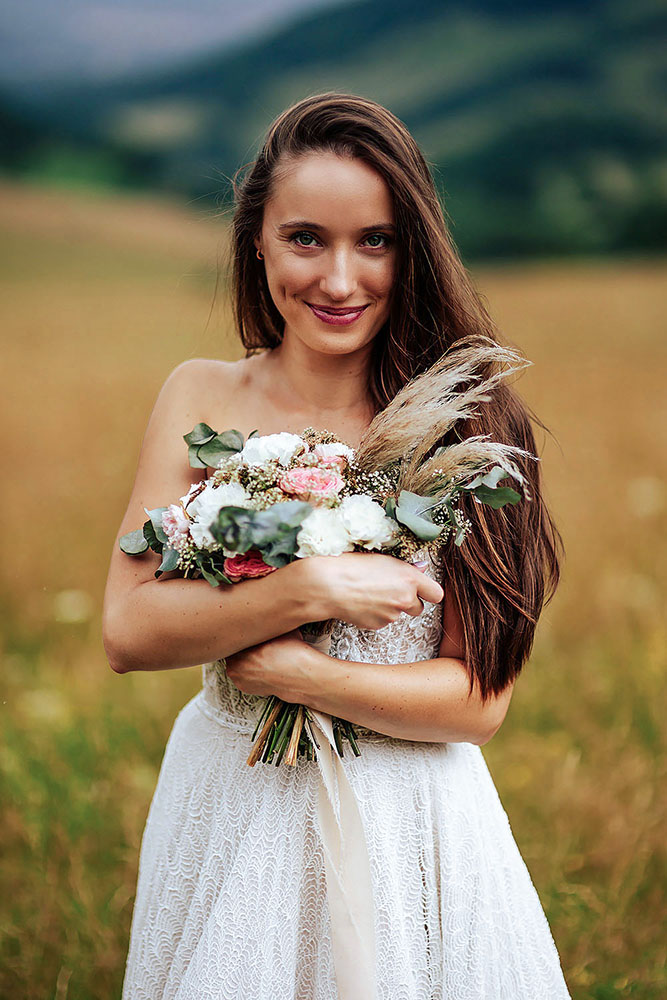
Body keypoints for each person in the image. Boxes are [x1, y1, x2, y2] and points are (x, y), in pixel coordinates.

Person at [103, 91, 572, 999]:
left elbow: (477, 704)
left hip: (407, 817)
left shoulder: (466, 421)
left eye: (376, 241)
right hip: (230, 796)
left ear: (413, 247)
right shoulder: (200, 396)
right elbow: (127, 632)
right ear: (257, 240)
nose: (339, 279)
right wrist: (307, 588)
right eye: (306, 239)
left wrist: (305, 677)